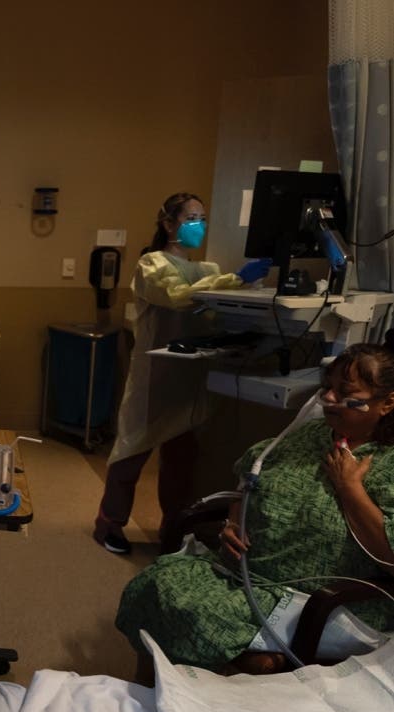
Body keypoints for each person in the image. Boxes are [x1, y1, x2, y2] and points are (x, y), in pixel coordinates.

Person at [115, 342, 394, 678]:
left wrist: (350, 489)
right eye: (327, 388)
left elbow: (388, 555)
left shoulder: (388, 464)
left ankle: (241, 673)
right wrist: (233, 523)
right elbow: (251, 477)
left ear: (387, 402)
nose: (330, 399)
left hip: (320, 603)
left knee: (199, 615)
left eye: (345, 392)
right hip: (246, 575)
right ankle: (153, 696)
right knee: (157, 583)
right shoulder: (307, 437)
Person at [92, 192, 273, 555]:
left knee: (180, 465)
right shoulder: (151, 265)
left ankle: (172, 529)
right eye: (191, 218)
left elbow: (213, 310)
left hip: (192, 379)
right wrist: (235, 280)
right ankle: (109, 523)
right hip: (155, 376)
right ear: (168, 223)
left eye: (202, 218)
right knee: (131, 454)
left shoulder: (209, 270)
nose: (199, 225)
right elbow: (177, 296)